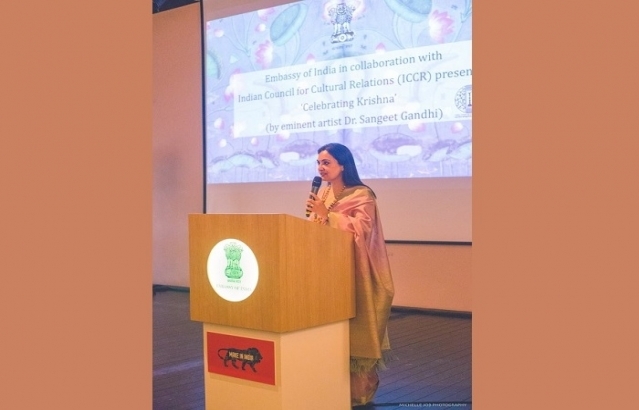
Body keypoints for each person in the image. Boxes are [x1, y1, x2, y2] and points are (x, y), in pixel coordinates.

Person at [306, 143, 395, 407]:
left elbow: (363, 230)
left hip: (355, 275)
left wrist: (327, 216)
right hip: (327, 274)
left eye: (327, 162)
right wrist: (317, 219)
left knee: (354, 332)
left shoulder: (362, 194)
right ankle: (329, 386)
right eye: (319, 163)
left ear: (343, 165)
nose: (321, 168)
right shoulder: (323, 194)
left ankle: (358, 393)